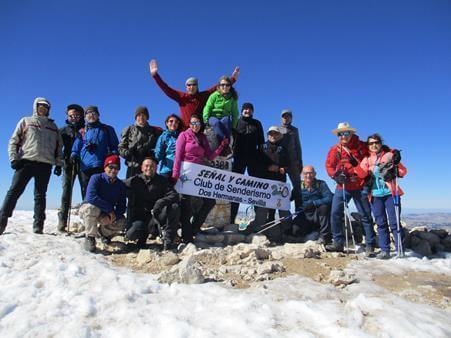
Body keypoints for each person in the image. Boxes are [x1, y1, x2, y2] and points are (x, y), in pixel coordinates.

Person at [0, 97, 63, 235]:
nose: (43, 109)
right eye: (40, 107)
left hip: (45, 165)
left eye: (46, 108)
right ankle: (1, 221)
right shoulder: (26, 121)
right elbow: (13, 141)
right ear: (35, 107)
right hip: (25, 162)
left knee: (40, 196)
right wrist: (13, 159)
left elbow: (59, 147)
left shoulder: (53, 127)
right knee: (14, 192)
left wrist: (58, 164)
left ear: (48, 110)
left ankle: (38, 226)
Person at [172, 114, 228, 243]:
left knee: (209, 201)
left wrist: (221, 146)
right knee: (186, 204)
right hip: (186, 173)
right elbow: (178, 156)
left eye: (197, 123)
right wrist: (175, 173)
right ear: (189, 124)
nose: (194, 126)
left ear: (200, 124)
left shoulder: (203, 138)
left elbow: (210, 156)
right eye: (192, 123)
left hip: (199, 173)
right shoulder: (183, 135)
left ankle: (194, 228)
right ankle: (186, 236)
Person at [325, 122, 376, 254]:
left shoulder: (361, 146)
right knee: (335, 213)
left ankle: (370, 244)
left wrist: (391, 153)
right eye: (341, 133)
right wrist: (335, 175)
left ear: (351, 133)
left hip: (359, 185)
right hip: (342, 186)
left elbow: (377, 151)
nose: (343, 136)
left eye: (346, 133)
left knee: (365, 214)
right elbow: (329, 166)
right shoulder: (335, 149)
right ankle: (338, 243)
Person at [355, 134, 407, 259]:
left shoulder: (389, 155)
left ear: (380, 143)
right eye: (371, 143)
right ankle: (385, 250)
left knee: (394, 222)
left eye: (376, 142)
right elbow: (361, 175)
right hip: (375, 195)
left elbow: (403, 171)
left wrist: (396, 167)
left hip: (391, 193)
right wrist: (355, 165)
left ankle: (400, 248)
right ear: (368, 146)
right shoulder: (367, 159)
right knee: (380, 223)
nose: (374, 145)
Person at [149, 59, 239, 128]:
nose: (191, 87)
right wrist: (155, 76)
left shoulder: (203, 95)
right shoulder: (181, 97)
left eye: (193, 85)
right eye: (189, 85)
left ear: (197, 86)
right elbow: (166, 89)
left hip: (200, 130)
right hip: (185, 131)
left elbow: (218, 87)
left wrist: (232, 79)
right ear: (186, 86)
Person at [244, 126, 290, 243]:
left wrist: (282, 168)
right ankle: (258, 233)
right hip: (264, 184)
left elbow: (289, 165)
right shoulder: (260, 148)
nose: (273, 136)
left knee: (283, 209)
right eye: (271, 134)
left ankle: (287, 232)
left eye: (275, 134)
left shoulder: (284, 149)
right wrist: (267, 167)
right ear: (267, 135)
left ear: (279, 135)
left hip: (280, 184)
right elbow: (253, 166)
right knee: (262, 209)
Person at [125, 158, 180, 250]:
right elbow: (120, 185)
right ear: (142, 168)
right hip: (141, 217)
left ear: (156, 168)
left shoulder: (162, 180)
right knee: (131, 235)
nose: (149, 168)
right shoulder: (135, 180)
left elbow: (174, 195)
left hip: (157, 215)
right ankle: (142, 239)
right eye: (146, 166)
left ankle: (168, 241)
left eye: (152, 166)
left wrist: (160, 202)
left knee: (174, 207)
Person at [79, 155, 127, 253]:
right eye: (111, 167)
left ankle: (103, 233)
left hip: (106, 214)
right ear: (105, 167)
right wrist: (110, 210)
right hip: (90, 210)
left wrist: (113, 216)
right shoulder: (96, 178)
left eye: (116, 168)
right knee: (91, 208)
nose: (113, 170)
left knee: (122, 222)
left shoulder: (120, 185)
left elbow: (122, 206)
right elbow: (91, 197)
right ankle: (90, 237)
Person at [70, 106, 119, 198]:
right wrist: (73, 155)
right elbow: (76, 148)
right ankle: (87, 211)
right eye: (88, 113)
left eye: (94, 113)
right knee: (87, 195)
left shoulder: (107, 129)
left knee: (102, 194)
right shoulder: (82, 131)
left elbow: (115, 146)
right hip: (85, 167)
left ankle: (104, 212)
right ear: (85, 117)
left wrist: (112, 156)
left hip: (102, 166)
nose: (91, 115)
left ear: (98, 115)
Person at [230, 102, 265, 223]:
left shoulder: (257, 123)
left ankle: (258, 218)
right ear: (241, 111)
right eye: (245, 109)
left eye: (250, 109)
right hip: (238, 157)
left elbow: (261, 142)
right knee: (235, 187)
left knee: (255, 187)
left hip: (253, 158)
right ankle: (231, 218)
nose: (247, 111)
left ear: (252, 111)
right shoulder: (236, 122)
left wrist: (261, 158)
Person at [57, 104, 85, 231]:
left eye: (77, 115)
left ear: (81, 116)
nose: (74, 117)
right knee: (66, 192)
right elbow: (57, 148)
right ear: (67, 116)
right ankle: (62, 221)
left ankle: (88, 222)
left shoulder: (86, 129)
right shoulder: (62, 130)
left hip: (84, 165)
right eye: (71, 115)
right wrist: (58, 164)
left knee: (86, 192)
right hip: (68, 164)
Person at [292, 165, 333, 244]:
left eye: (311, 173)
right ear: (302, 174)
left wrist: (314, 203)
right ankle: (313, 232)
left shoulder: (321, 184)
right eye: (306, 173)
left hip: (317, 213)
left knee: (324, 207)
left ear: (315, 174)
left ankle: (324, 236)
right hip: (304, 214)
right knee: (295, 231)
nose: (308, 175)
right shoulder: (297, 187)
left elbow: (329, 197)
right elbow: (289, 198)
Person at [118, 106, 163, 179]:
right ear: (135, 117)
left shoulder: (155, 131)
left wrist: (152, 155)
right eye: (139, 115)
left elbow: (160, 148)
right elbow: (121, 148)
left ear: (147, 117)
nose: (141, 117)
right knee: (131, 189)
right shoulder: (128, 130)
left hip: (148, 167)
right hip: (132, 166)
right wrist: (128, 153)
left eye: (143, 115)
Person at [202, 76, 239, 151]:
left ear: (230, 87)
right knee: (217, 123)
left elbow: (235, 113)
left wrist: (234, 127)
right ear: (219, 86)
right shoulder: (214, 95)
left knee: (226, 120)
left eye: (227, 85)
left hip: (225, 117)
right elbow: (207, 107)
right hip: (213, 117)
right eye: (222, 85)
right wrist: (205, 120)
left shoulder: (232, 98)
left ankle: (227, 144)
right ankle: (224, 146)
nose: (225, 86)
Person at [280, 109, 303, 210]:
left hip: (294, 162)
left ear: (291, 118)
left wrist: (300, 162)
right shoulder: (277, 129)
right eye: (284, 116)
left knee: (298, 187)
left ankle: (298, 212)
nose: (286, 118)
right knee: (279, 187)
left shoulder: (295, 130)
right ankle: (275, 214)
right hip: (281, 163)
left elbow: (298, 146)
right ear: (281, 118)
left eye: (288, 116)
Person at [154, 114, 183, 178]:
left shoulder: (182, 136)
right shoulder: (162, 137)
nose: (173, 123)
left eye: (176, 122)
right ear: (166, 123)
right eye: (171, 121)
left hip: (180, 170)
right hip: (166, 170)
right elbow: (158, 156)